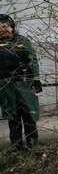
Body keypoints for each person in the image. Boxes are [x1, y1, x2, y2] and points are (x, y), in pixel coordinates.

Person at [0, 14, 42, 151]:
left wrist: (36, 80)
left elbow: (32, 61)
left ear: (11, 27)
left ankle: (32, 143)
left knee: (28, 114)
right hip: (6, 85)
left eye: (5, 26)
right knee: (12, 115)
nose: (2, 30)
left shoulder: (22, 41)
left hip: (24, 84)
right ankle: (16, 144)